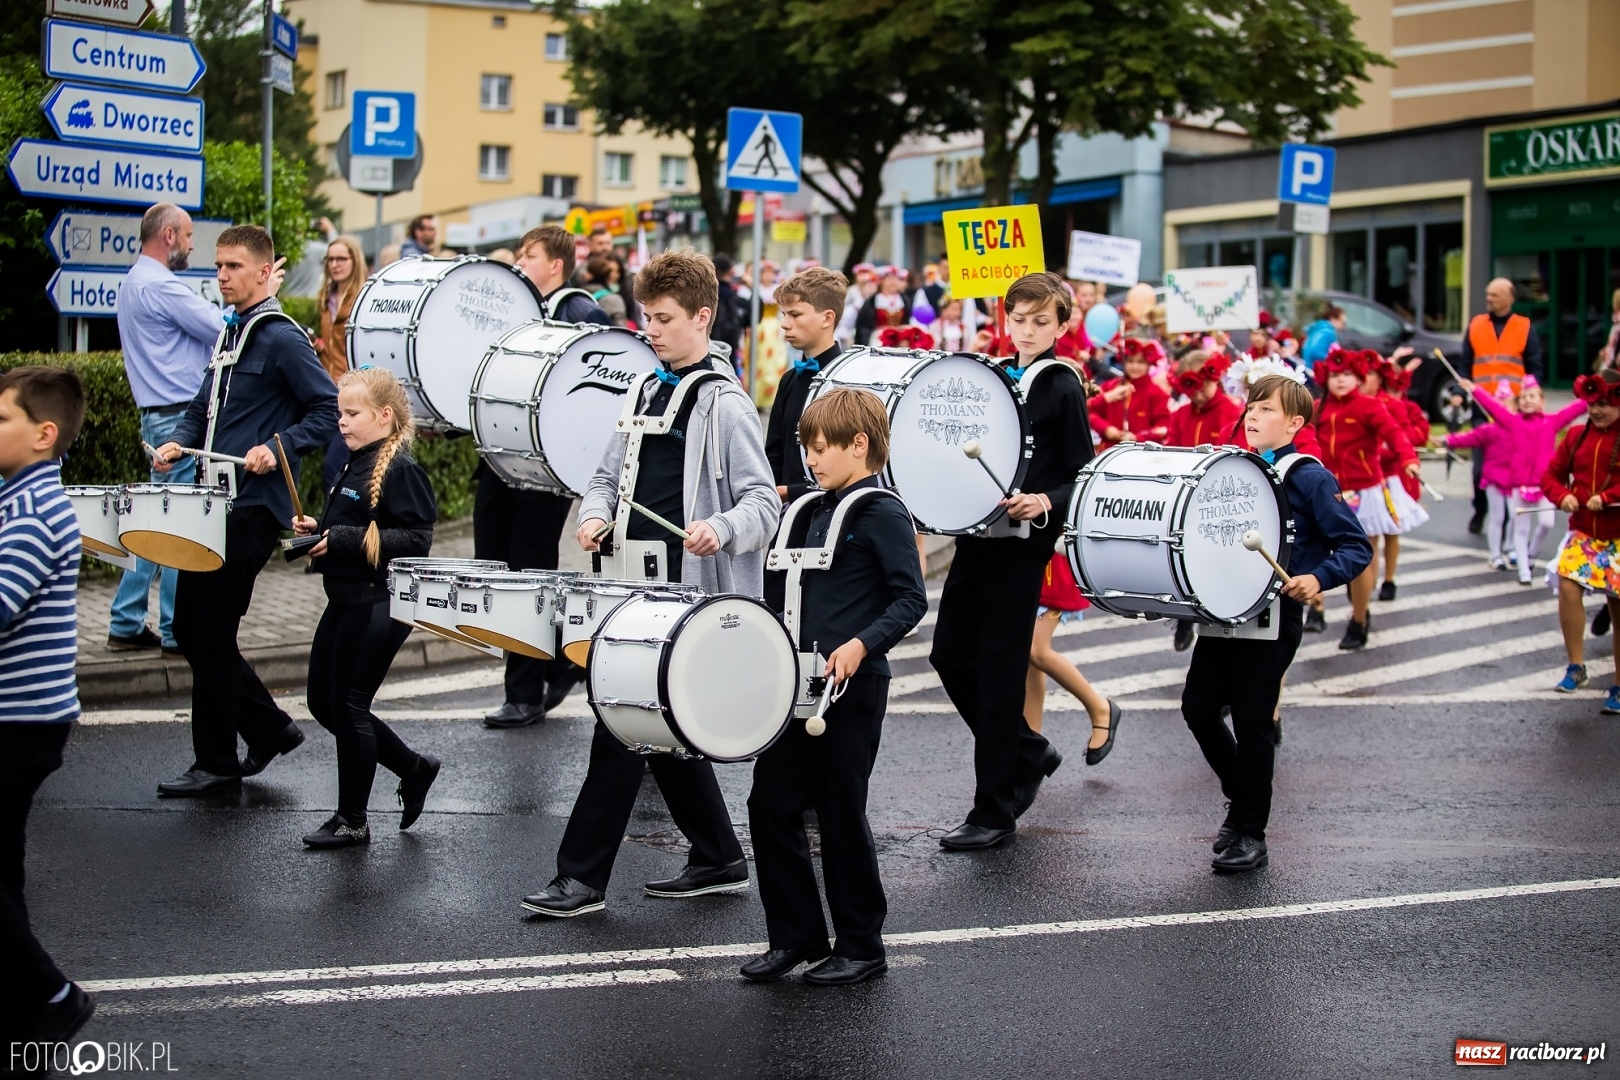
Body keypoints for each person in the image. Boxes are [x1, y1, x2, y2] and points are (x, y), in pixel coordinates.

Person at [521, 248, 779, 917]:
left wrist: (718, 529)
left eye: (663, 319)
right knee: (653, 725)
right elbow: (607, 477)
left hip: (685, 595)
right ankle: (719, 856)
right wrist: (597, 514)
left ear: (702, 317)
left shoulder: (726, 406)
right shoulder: (643, 389)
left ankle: (580, 878)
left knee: (621, 720)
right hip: (627, 586)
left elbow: (763, 505)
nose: (651, 330)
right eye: (646, 317)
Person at [745, 389, 927, 986]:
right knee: (768, 805)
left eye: (823, 449)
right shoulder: (806, 508)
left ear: (860, 445)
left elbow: (910, 599)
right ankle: (795, 936)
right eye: (807, 448)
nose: (813, 460)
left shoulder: (884, 512)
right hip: (794, 682)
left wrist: (859, 645)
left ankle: (861, 943)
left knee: (840, 812)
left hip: (851, 687)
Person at [151, 225, 340, 797]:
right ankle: (270, 727)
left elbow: (327, 409)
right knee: (189, 626)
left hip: (255, 506)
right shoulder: (230, 334)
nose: (222, 276)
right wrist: (176, 442)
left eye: (234, 266)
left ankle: (216, 761)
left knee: (209, 630)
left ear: (264, 272)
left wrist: (276, 446)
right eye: (218, 266)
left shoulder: (280, 338)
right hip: (212, 502)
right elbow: (202, 406)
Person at [930, 272, 1092, 850]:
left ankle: (993, 811)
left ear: (1062, 326)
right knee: (947, 655)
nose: (1026, 331)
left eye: (1040, 322)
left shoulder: (1062, 386)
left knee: (1000, 676)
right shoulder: (992, 377)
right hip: (977, 536)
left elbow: (1083, 473)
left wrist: (1046, 499)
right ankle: (1028, 750)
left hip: (1025, 545)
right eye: (1018, 320)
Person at [1184, 374, 1372, 872]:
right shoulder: (1232, 469)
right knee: (1198, 708)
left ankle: (1251, 830)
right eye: (1251, 406)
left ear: (1294, 423)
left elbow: (1355, 546)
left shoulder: (1309, 475)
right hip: (1222, 608)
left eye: (1266, 410)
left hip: (1275, 613)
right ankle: (1242, 794)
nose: (1252, 415)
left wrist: (1318, 578)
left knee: (1252, 720)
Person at [293, 368, 440, 848]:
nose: (342, 422)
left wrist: (342, 540)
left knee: (350, 706)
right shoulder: (357, 459)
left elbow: (417, 541)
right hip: (347, 599)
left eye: (352, 413)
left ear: (383, 415)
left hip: (380, 603)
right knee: (322, 702)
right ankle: (415, 768)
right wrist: (320, 530)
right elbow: (357, 524)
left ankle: (352, 820)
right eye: (340, 413)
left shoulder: (400, 468)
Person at [477, 226, 613, 730]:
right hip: (499, 461)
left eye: (528, 255)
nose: (518, 261)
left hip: (543, 473)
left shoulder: (580, 314)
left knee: (526, 573)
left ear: (555, 265)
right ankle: (563, 658)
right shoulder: (516, 313)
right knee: (492, 562)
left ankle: (524, 692)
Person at [0, 367, 96, 1046]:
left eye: (1, 418)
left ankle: (52, 994)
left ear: (43, 434)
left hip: (20, 722)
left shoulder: (35, 517)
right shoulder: (15, 502)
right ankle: (23, 1002)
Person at [108, 203, 224, 655]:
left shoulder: (132, 282)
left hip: (155, 415)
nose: (194, 244)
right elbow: (219, 328)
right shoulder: (165, 287)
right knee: (178, 525)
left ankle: (125, 620)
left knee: (154, 520)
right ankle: (175, 630)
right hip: (180, 417)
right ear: (170, 235)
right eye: (191, 235)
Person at [1311, 348, 1419, 651]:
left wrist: (1408, 458)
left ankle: (1359, 619)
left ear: (1358, 377)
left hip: (1364, 491)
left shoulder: (1369, 406)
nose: (1341, 380)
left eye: (1347, 374)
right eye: (1335, 375)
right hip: (1326, 491)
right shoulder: (1318, 408)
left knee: (1361, 558)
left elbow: (1395, 433)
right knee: (1316, 550)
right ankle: (1316, 608)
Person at [1448, 374, 1586, 584]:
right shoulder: (1512, 423)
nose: (1527, 400)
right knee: (1520, 529)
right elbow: (1495, 409)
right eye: (1523, 397)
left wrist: (1594, 395)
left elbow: (1575, 409)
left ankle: (1531, 554)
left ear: (1542, 401)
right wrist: (1475, 390)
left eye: (1532, 396)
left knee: (1547, 523)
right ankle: (1524, 571)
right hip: (1519, 485)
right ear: (1518, 402)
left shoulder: (1552, 422)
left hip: (1545, 485)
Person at [1544, 370, 1620, 710]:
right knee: (1568, 585)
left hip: (1618, 537)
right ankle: (1576, 666)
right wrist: (1562, 496)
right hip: (1585, 534)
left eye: (1605, 404)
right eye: (1593, 403)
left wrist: (1606, 498)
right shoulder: (1575, 436)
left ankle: (1619, 686)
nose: (1598, 410)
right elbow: (1551, 476)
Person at [1165, 350, 1242, 651]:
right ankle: (1186, 611)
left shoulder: (1231, 412)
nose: (1196, 395)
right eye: (1189, 387)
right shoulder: (1180, 414)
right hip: (1185, 500)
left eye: (1201, 386)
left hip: (1218, 502)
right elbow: (1171, 452)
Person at [766, 267, 847, 504]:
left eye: (795, 314)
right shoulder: (790, 379)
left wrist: (791, 492)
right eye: (784, 315)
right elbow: (774, 453)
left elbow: (850, 466)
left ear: (827, 318)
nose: (785, 324)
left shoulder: (848, 381)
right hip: (784, 517)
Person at [1364, 354, 1431, 601]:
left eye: (1369, 374)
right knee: (1368, 534)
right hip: (1364, 478)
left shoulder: (1391, 404)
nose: (1363, 379)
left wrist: (1384, 452)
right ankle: (1366, 590)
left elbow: (1403, 439)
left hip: (1388, 477)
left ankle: (1389, 579)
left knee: (1391, 530)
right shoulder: (1353, 404)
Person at [314, 235, 369, 492]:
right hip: (328, 391)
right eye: (330, 259)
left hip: (355, 392)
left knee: (334, 466)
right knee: (336, 468)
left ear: (354, 260)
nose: (334, 265)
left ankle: (338, 526)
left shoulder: (364, 296)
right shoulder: (326, 296)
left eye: (341, 259)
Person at [1088, 338, 1171, 452]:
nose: (1135, 367)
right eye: (1130, 361)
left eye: (1140, 362)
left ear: (1149, 363)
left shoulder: (1157, 394)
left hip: (1141, 454)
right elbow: (1090, 411)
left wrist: (1137, 438)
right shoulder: (1110, 386)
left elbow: (1163, 428)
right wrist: (1106, 429)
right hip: (1109, 451)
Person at [854, 267, 911, 346]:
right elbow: (864, 326)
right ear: (881, 281)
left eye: (895, 278)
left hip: (899, 339)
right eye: (889, 278)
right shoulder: (873, 301)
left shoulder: (903, 300)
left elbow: (908, 319)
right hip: (879, 339)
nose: (893, 281)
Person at [1301, 304, 1344, 370]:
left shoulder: (1318, 328)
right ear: (1333, 319)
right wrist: (1333, 360)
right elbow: (1315, 351)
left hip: (1306, 366)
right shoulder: (1328, 332)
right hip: (1314, 369)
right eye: (1342, 322)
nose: (1342, 326)